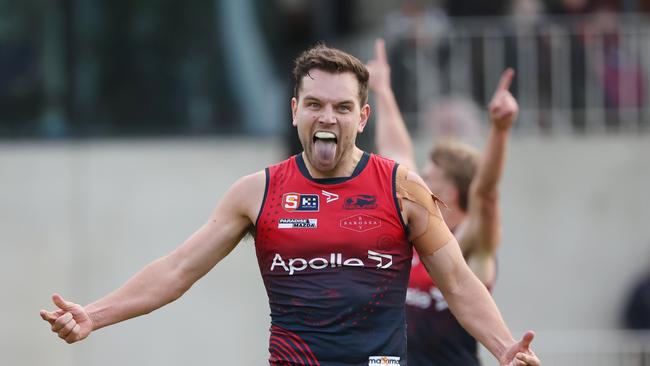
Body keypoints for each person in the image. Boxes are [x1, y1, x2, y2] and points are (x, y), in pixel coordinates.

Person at [40, 44, 539, 366]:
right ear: (295, 110)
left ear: (361, 117)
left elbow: (457, 281)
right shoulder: (255, 192)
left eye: (343, 107)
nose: (329, 117)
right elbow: (176, 270)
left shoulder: (401, 187)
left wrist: (504, 349)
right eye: (316, 104)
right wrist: (95, 315)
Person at [367, 38, 518, 365]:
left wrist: (500, 130)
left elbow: (486, 193)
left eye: (429, 179)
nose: (418, 184)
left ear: (449, 194)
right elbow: (396, 155)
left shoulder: (470, 242)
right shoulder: (418, 229)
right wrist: (382, 90)